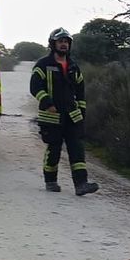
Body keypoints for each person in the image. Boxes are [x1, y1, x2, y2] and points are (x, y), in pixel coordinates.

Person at [30, 28, 98, 196]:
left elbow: (80, 92)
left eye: (66, 42)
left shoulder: (74, 66)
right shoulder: (43, 65)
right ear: (53, 44)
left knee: (77, 149)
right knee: (54, 149)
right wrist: (47, 103)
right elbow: (35, 87)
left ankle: (81, 184)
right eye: (60, 41)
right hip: (51, 116)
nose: (63, 44)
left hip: (72, 116)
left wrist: (81, 112)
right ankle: (51, 180)